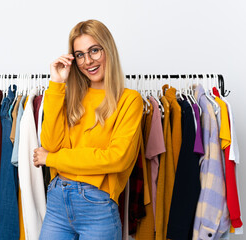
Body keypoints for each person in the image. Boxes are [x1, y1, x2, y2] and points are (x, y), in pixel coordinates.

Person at [33, 19, 143, 240]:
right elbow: (50, 144)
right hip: (57, 201)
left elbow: (116, 158)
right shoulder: (70, 96)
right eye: (80, 54)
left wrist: (53, 159)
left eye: (94, 50)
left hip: (97, 205)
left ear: (108, 49)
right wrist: (56, 83)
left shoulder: (129, 100)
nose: (88, 61)